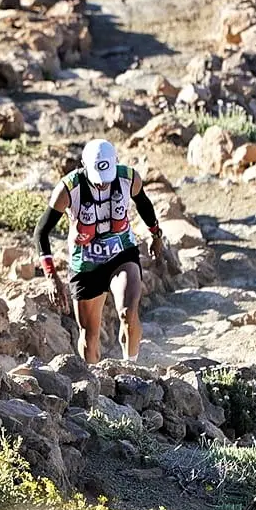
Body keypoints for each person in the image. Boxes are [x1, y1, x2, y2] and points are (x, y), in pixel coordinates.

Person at [35, 138, 166, 364]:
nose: (103, 185)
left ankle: (131, 367)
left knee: (128, 312)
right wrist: (51, 277)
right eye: (98, 181)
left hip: (121, 254)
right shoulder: (68, 189)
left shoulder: (129, 178)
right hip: (85, 263)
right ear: (84, 168)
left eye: (107, 179)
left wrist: (156, 235)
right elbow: (41, 232)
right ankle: (96, 385)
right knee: (89, 335)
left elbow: (143, 204)